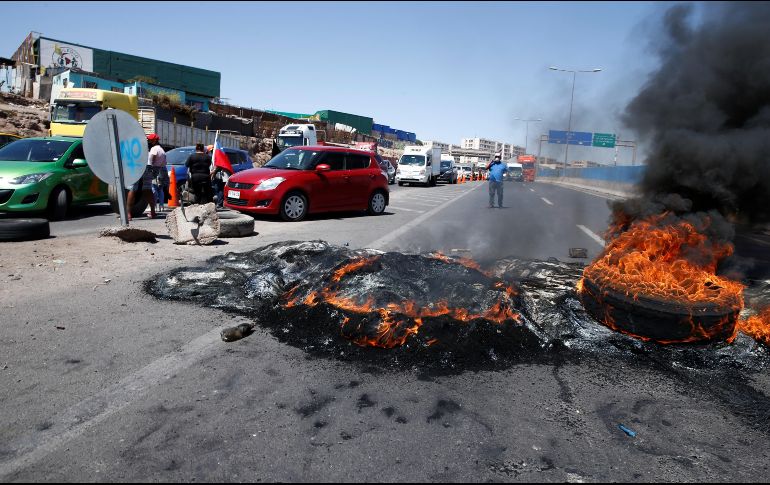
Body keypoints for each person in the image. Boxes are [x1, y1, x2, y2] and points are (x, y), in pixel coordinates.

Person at [126, 134, 158, 220]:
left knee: (133, 189)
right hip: (147, 167)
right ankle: (153, 212)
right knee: (147, 189)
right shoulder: (148, 147)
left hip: (137, 167)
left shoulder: (134, 146)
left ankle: (128, 214)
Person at [147, 133, 169, 213]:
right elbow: (165, 162)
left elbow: (151, 160)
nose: (149, 141)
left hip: (155, 170)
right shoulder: (161, 149)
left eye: (150, 140)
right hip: (162, 169)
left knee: (153, 188)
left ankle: (153, 206)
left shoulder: (154, 149)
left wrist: (150, 168)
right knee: (160, 189)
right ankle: (161, 206)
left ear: (154, 140)